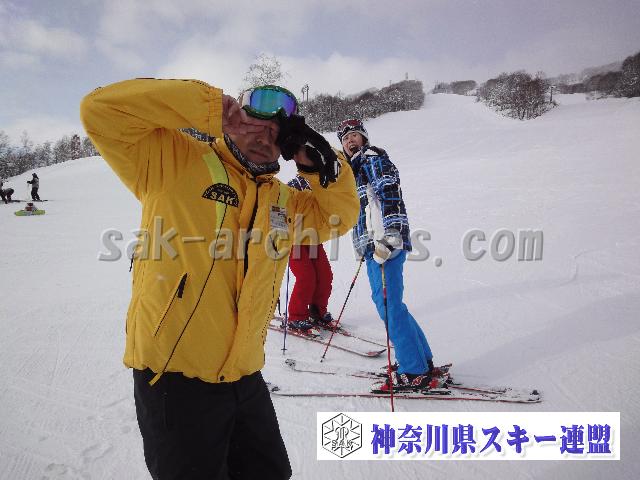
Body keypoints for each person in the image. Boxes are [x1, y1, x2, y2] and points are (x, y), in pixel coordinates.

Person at [81, 79, 359, 479]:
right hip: (175, 377)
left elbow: (339, 217)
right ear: (232, 121)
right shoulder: (173, 160)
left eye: (276, 135)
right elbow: (100, 110)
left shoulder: (284, 201)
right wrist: (212, 108)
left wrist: (319, 163)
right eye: (254, 125)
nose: (264, 138)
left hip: (244, 375)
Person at [338, 118, 443, 393]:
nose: (350, 141)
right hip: (373, 246)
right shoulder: (355, 168)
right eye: (345, 139)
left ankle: (414, 371)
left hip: (384, 243)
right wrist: (363, 244)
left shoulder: (372, 159)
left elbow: (390, 194)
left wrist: (391, 235)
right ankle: (421, 360)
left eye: (354, 135)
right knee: (393, 305)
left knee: (388, 307)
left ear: (364, 138)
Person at [285, 174, 335, 331]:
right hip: (294, 241)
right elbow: (279, 208)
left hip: (313, 239)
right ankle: (296, 316)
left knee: (325, 275)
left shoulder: (324, 184)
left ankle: (317, 311)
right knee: (306, 277)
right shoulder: (294, 185)